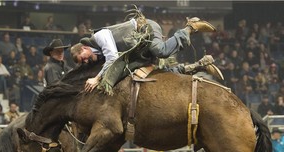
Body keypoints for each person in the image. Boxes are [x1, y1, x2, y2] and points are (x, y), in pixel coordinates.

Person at [70, 12, 217, 93]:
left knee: (161, 50)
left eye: (81, 58)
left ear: (83, 48)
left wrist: (96, 78)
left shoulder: (99, 36)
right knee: (161, 72)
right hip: (141, 51)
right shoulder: (98, 54)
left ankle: (190, 27)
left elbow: (113, 58)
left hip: (146, 30)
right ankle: (199, 65)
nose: (84, 62)